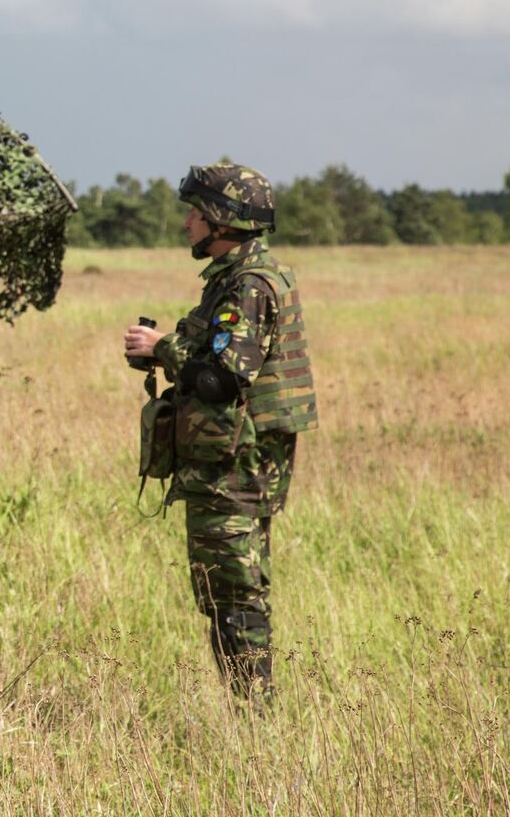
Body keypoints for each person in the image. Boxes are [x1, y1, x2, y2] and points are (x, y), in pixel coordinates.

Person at [122, 162, 318, 704]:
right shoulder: (240, 279)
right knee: (226, 587)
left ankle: (254, 716)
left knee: (232, 590)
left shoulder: (248, 285)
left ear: (223, 220)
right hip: (231, 461)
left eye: (195, 213)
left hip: (235, 465)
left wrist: (160, 347)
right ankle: (250, 709)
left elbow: (222, 376)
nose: (187, 223)